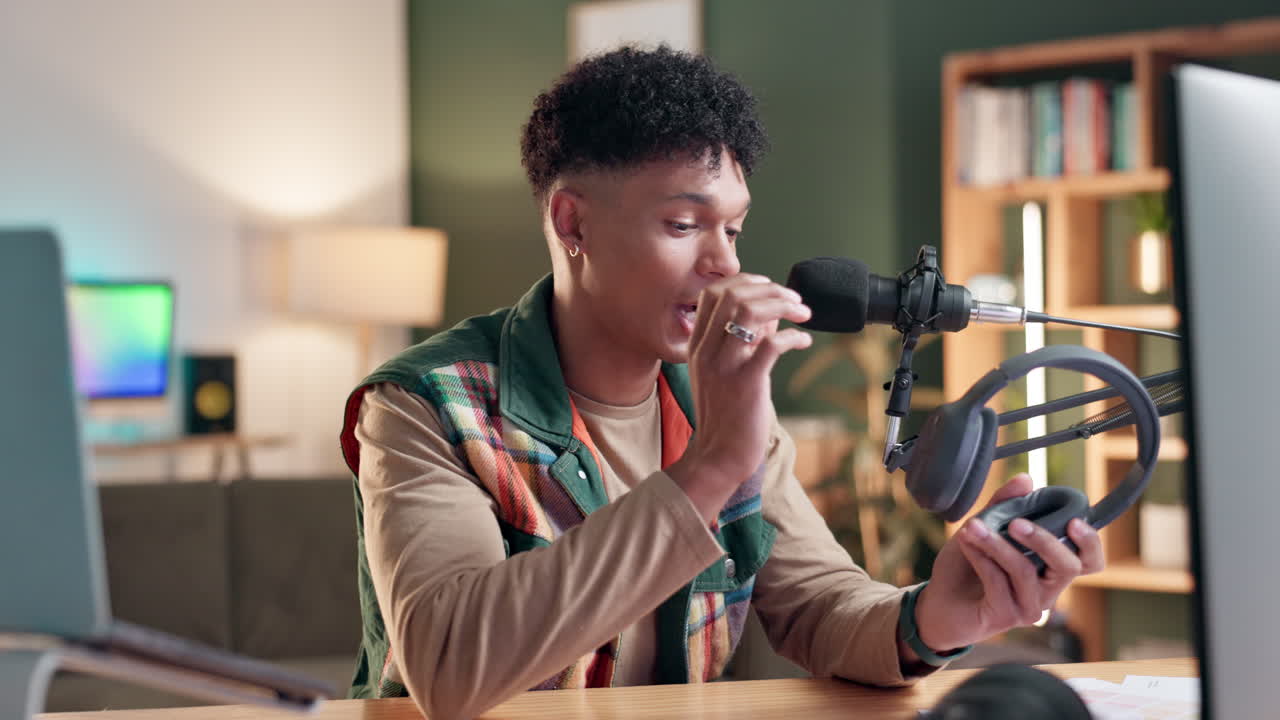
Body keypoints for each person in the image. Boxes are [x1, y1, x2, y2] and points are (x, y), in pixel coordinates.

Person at [338, 46, 1104, 719]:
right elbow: (445, 668)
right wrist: (707, 469)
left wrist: (942, 612)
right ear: (572, 225)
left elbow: (822, 608)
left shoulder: (722, 400)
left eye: (732, 229)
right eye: (683, 225)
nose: (725, 265)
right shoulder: (420, 407)